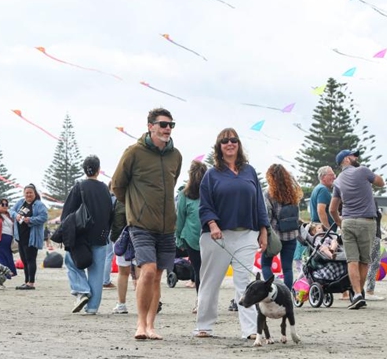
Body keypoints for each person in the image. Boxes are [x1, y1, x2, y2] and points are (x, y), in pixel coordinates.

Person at [111, 108, 183, 340]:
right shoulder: (133, 152)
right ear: (150, 126)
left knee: (158, 275)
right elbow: (117, 185)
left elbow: (173, 183)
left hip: (167, 226)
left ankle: (151, 326)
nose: (167, 128)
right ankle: (140, 324)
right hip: (140, 224)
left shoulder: (176, 156)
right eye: (163, 124)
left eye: (171, 124)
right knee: (148, 271)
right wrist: (135, 207)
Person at [194, 128, 270, 340]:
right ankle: (204, 325)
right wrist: (212, 224)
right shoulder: (211, 174)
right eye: (225, 141)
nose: (230, 144)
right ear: (219, 146)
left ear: (239, 144)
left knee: (244, 282)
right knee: (210, 281)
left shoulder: (249, 171)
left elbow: (259, 204)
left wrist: (264, 230)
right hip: (217, 236)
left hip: (247, 233)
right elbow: (205, 204)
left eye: (234, 140)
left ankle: (250, 329)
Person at [329, 149, 385, 310]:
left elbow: (333, 209)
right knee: (364, 260)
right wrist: (371, 179)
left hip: (347, 221)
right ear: (347, 159)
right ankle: (359, 293)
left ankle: (357, 294)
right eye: (354, 156)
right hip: (366, 222)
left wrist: (340, 223)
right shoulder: (363, 171)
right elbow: (381, 182)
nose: (356, 158)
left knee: (351, 260)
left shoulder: (338, 181)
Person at [62, 155, 114, 315]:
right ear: (99, 170)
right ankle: (92, 307)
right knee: (97, 271)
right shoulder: (105, 189)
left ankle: (82, 290)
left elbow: (68, 213)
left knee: (71, 261)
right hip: (101, 235)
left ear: (84, 169)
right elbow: (110, 213)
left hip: (82, 235)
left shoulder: (79, 187)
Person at [261, 164, 302, 290]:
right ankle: (287, 294)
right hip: (291, 234)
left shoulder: (268, 194)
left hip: (274, 236)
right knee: (288, 268)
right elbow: (297, 213)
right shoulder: (293, 192)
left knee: (266, 265)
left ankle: (271, 290)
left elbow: (267, 215)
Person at [175, 160, 207, 308]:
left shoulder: (185, 195)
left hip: (193, 237)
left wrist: (178, 239)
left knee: (199, 270)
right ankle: (202, 301)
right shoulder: (209, 193)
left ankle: (201, 301)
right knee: (205, 271)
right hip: (205, 237)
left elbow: (180, 218)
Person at [10, 184, 48, 290]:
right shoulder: (20, 203)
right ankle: (26, 281)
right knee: (24, 260)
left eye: (30, 192)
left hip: (32, 237)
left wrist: (30, 220)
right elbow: (11, 211)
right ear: (24, 194)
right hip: (20, 237)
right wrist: (16, 216)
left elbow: (44, 217)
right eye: (26, 193)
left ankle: (31, 282)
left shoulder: (39, 205)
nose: (28, 195)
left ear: (35, 193)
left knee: (31, 259)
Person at [110, 191, 131, 315]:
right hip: (143, 238)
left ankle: (121, 304)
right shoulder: (145, 194)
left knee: (123, 273)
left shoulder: (121, 199)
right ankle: (145, 304)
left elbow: (118, 220)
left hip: (124, 239)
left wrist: (115, 238)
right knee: (139, 274)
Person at [364, 208, 385, 301]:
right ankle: (369, 290)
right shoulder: (370, 201)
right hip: (373, 234)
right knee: (374, 262)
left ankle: (355, 290)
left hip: (366, 233)